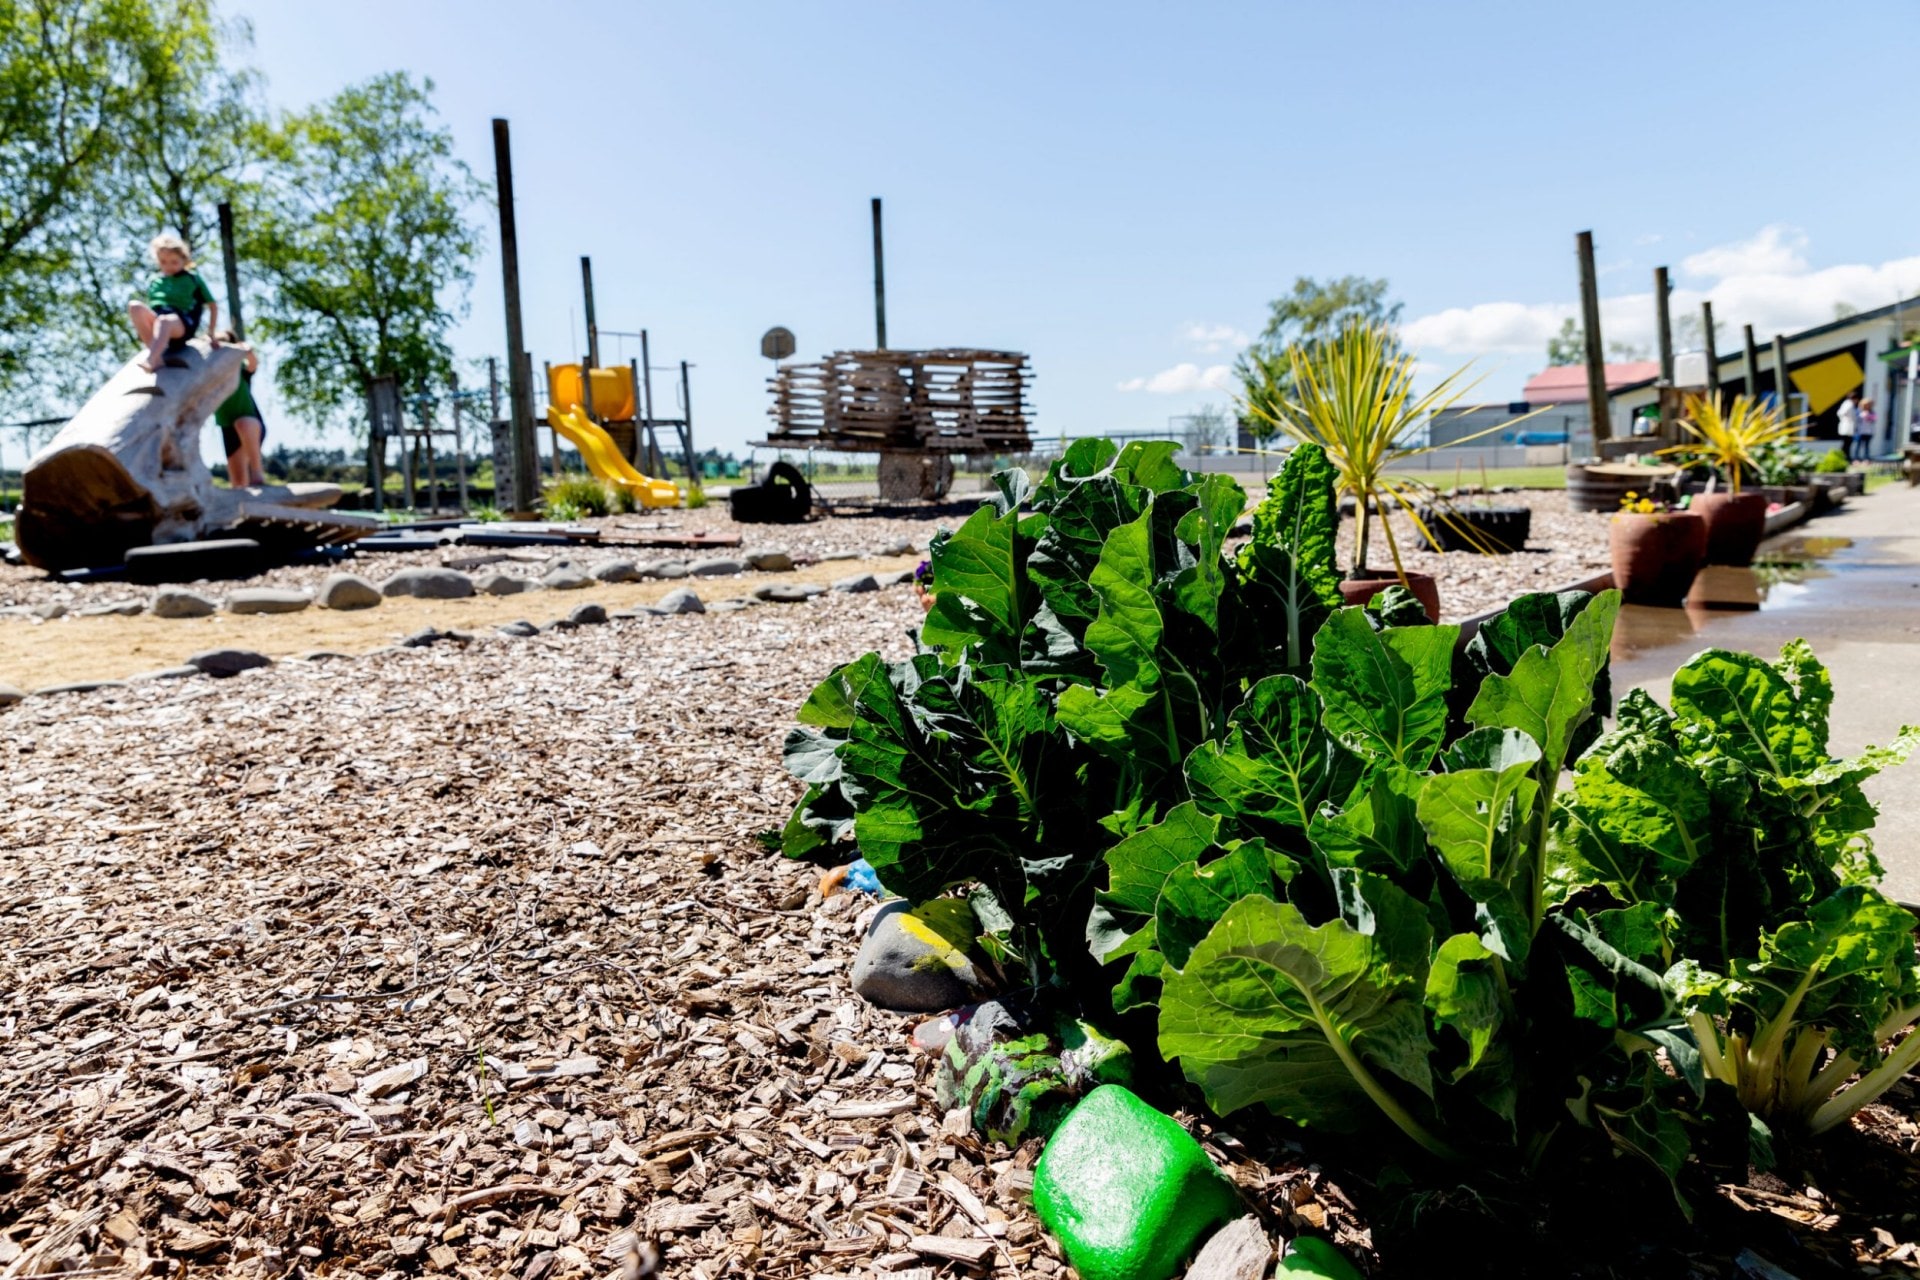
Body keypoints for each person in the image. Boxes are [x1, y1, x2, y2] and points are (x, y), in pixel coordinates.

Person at [129, 232, 218, 375]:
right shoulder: (155, 280)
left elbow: (212, 305)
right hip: (158, 322)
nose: (168, 266)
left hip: (181, 323)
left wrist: (211, 333)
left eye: (174, 262)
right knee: (135, 307)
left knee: (164, 320)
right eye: (163, 262)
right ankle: (155, 352)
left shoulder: (193, 279)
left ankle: (152, 358)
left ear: (184, 259)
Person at [212, 331, 266, 487]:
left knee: (242, 423)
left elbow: (253, 364)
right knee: (238, 483)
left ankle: (257, 471)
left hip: (251, 425)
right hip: (227, 427)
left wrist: (244, 349)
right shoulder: (210, 375)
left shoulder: (240, 370)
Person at [1836, 390, 1861, 462]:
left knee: (1847, 443)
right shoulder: (1849, 404)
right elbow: (1841, 413)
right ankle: (1845, 457)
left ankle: (1845, 457)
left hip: (1848, 427)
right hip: (1847, 427)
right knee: (1846, 443)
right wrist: (1847, 419)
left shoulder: (1848, 404)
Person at [1857, 395, 1878, 462]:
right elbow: (1857, 419)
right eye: (1866, 404)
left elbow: (1874, 419)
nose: (1867, 406)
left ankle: (1866, 458)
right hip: (1860, 431)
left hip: (1869, 432)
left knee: (1867, 446)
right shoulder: (1859, 411)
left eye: (1868, 405)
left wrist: (1869, 417)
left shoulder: (1872, 412)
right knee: (1858, 445)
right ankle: (1856, 458)